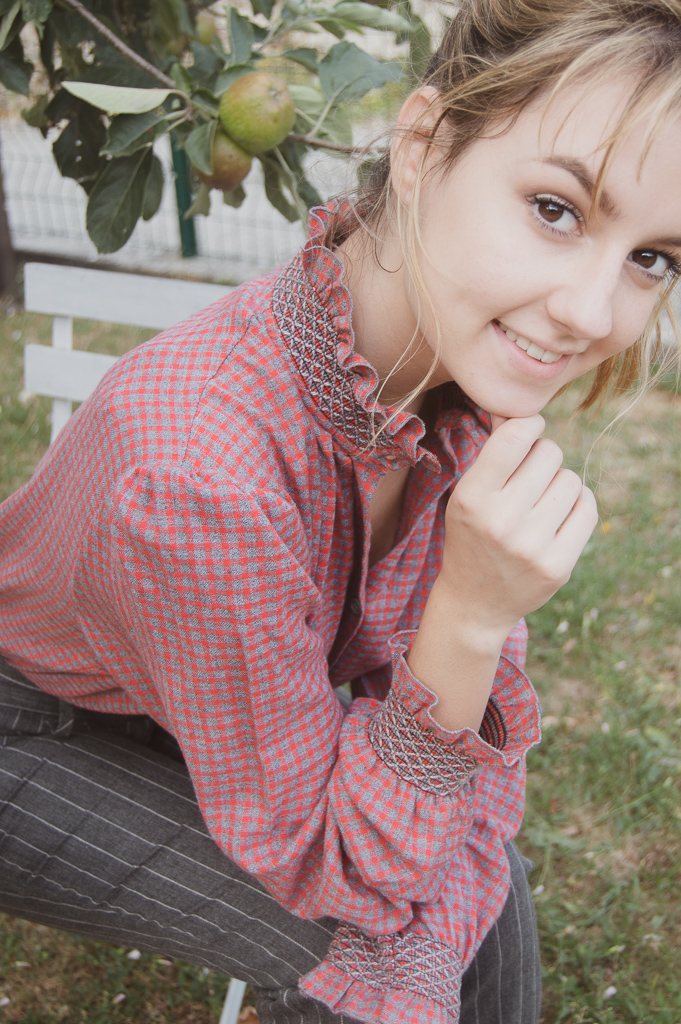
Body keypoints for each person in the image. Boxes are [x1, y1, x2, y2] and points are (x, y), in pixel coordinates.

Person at [1, 1, 680, 1021]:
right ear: (421, 143)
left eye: (653, 258)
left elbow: (466, 797)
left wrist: (449, 844)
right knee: (358, 952)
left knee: (481, 887)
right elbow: (341, 865)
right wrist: (468, 618)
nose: (592, 313)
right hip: (33, 725)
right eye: (555, 208)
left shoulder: (454, 384)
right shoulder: (202, 474)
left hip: (191, 712)